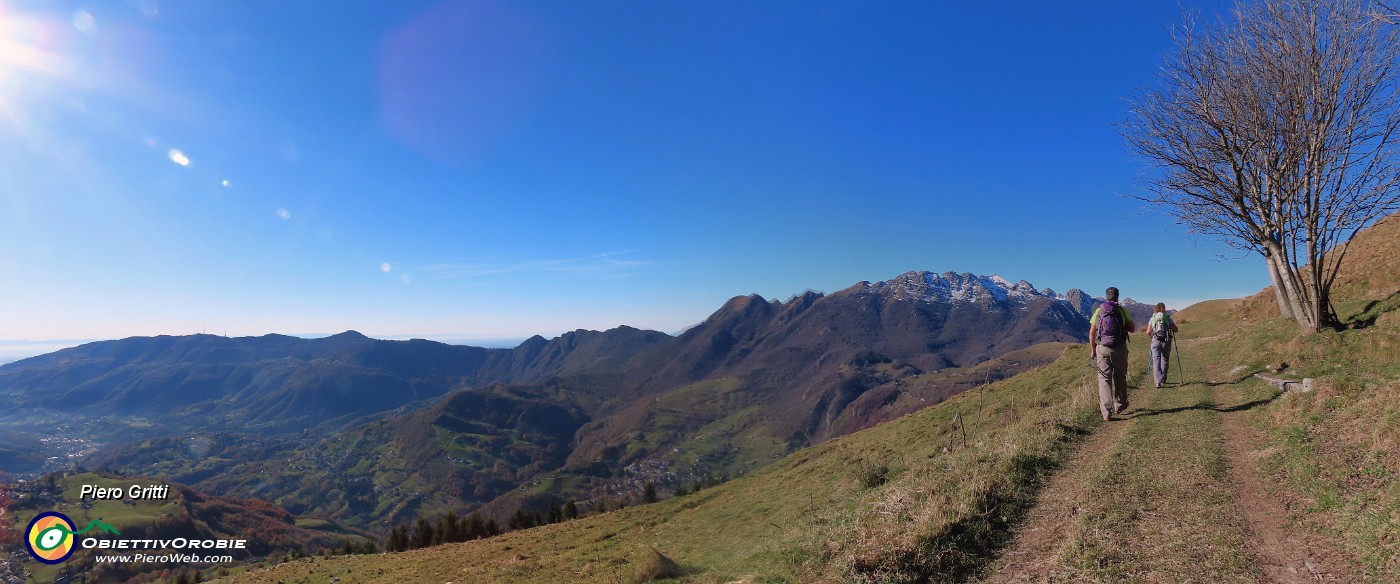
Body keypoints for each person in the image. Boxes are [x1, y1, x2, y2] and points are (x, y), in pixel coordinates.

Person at [1088, 287, 1135, 421]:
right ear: (1117, 297)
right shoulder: (1121, 309)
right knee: (1120, 377)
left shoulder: (1099, 310)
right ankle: (1119, 405)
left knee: (1104, 380)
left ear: (1106, 297)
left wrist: (1093, 349)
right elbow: (1132, 328)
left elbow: (1092, 333)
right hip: (1119, 347)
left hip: (1102, 348)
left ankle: (1106, 413)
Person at [1146, 302, 1179, 387]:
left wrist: (1152, 336)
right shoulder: (1168, 318)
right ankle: (1163, 379)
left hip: (1155, 341)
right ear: (1164, 309)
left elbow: (1148, 332)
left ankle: (1157, 381)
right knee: (1165, 360)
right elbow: (1175, 329)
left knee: (1156, 360)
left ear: (1155, 309)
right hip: (1166, 341)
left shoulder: (1152, 318)